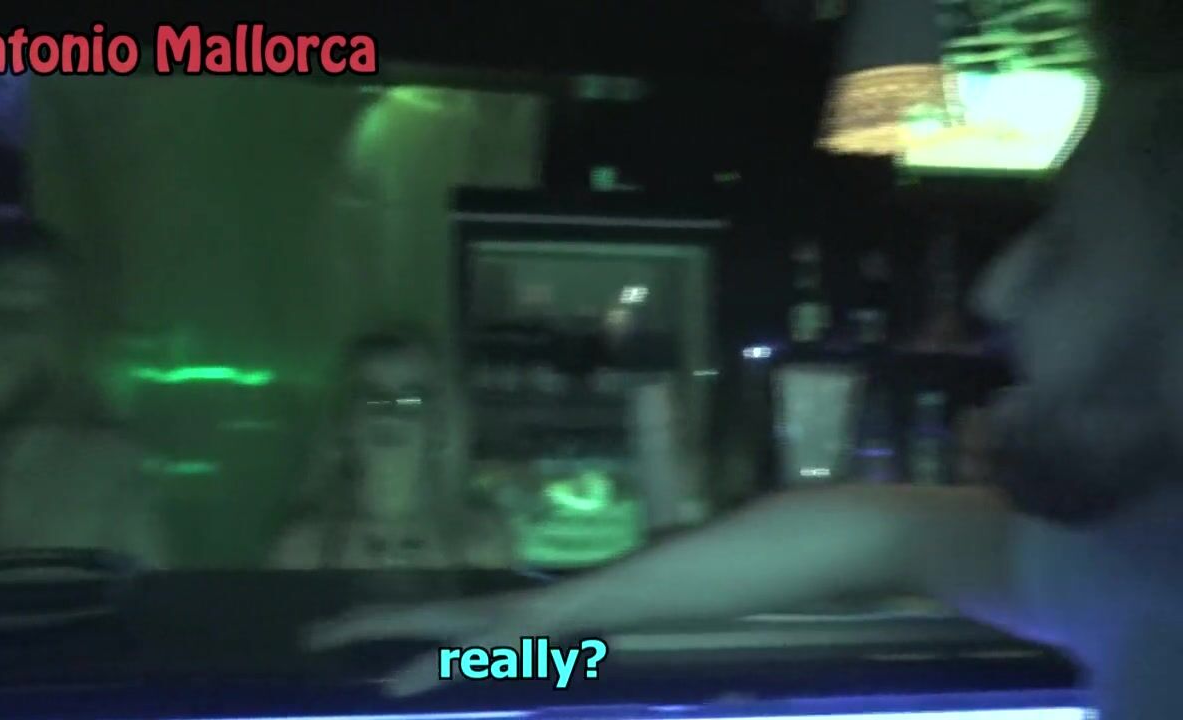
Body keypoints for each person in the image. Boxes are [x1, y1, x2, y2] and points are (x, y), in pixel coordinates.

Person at [305, 32, 1183, 720]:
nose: (998, 290)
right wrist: (523, 628)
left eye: (1067, 249)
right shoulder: (1137, 566)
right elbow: (879, 533)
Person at [0, 227, 165, 566]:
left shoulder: (106, 462)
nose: (6, 335)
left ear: (62, 331)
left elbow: (148, 583)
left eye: (29, 317)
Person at [270, 331, 511, 570]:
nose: (390, 415)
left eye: (411, 400)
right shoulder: (302, 549)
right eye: (372, 398)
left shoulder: (480, 545)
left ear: (439, 424)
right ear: (343, 422)